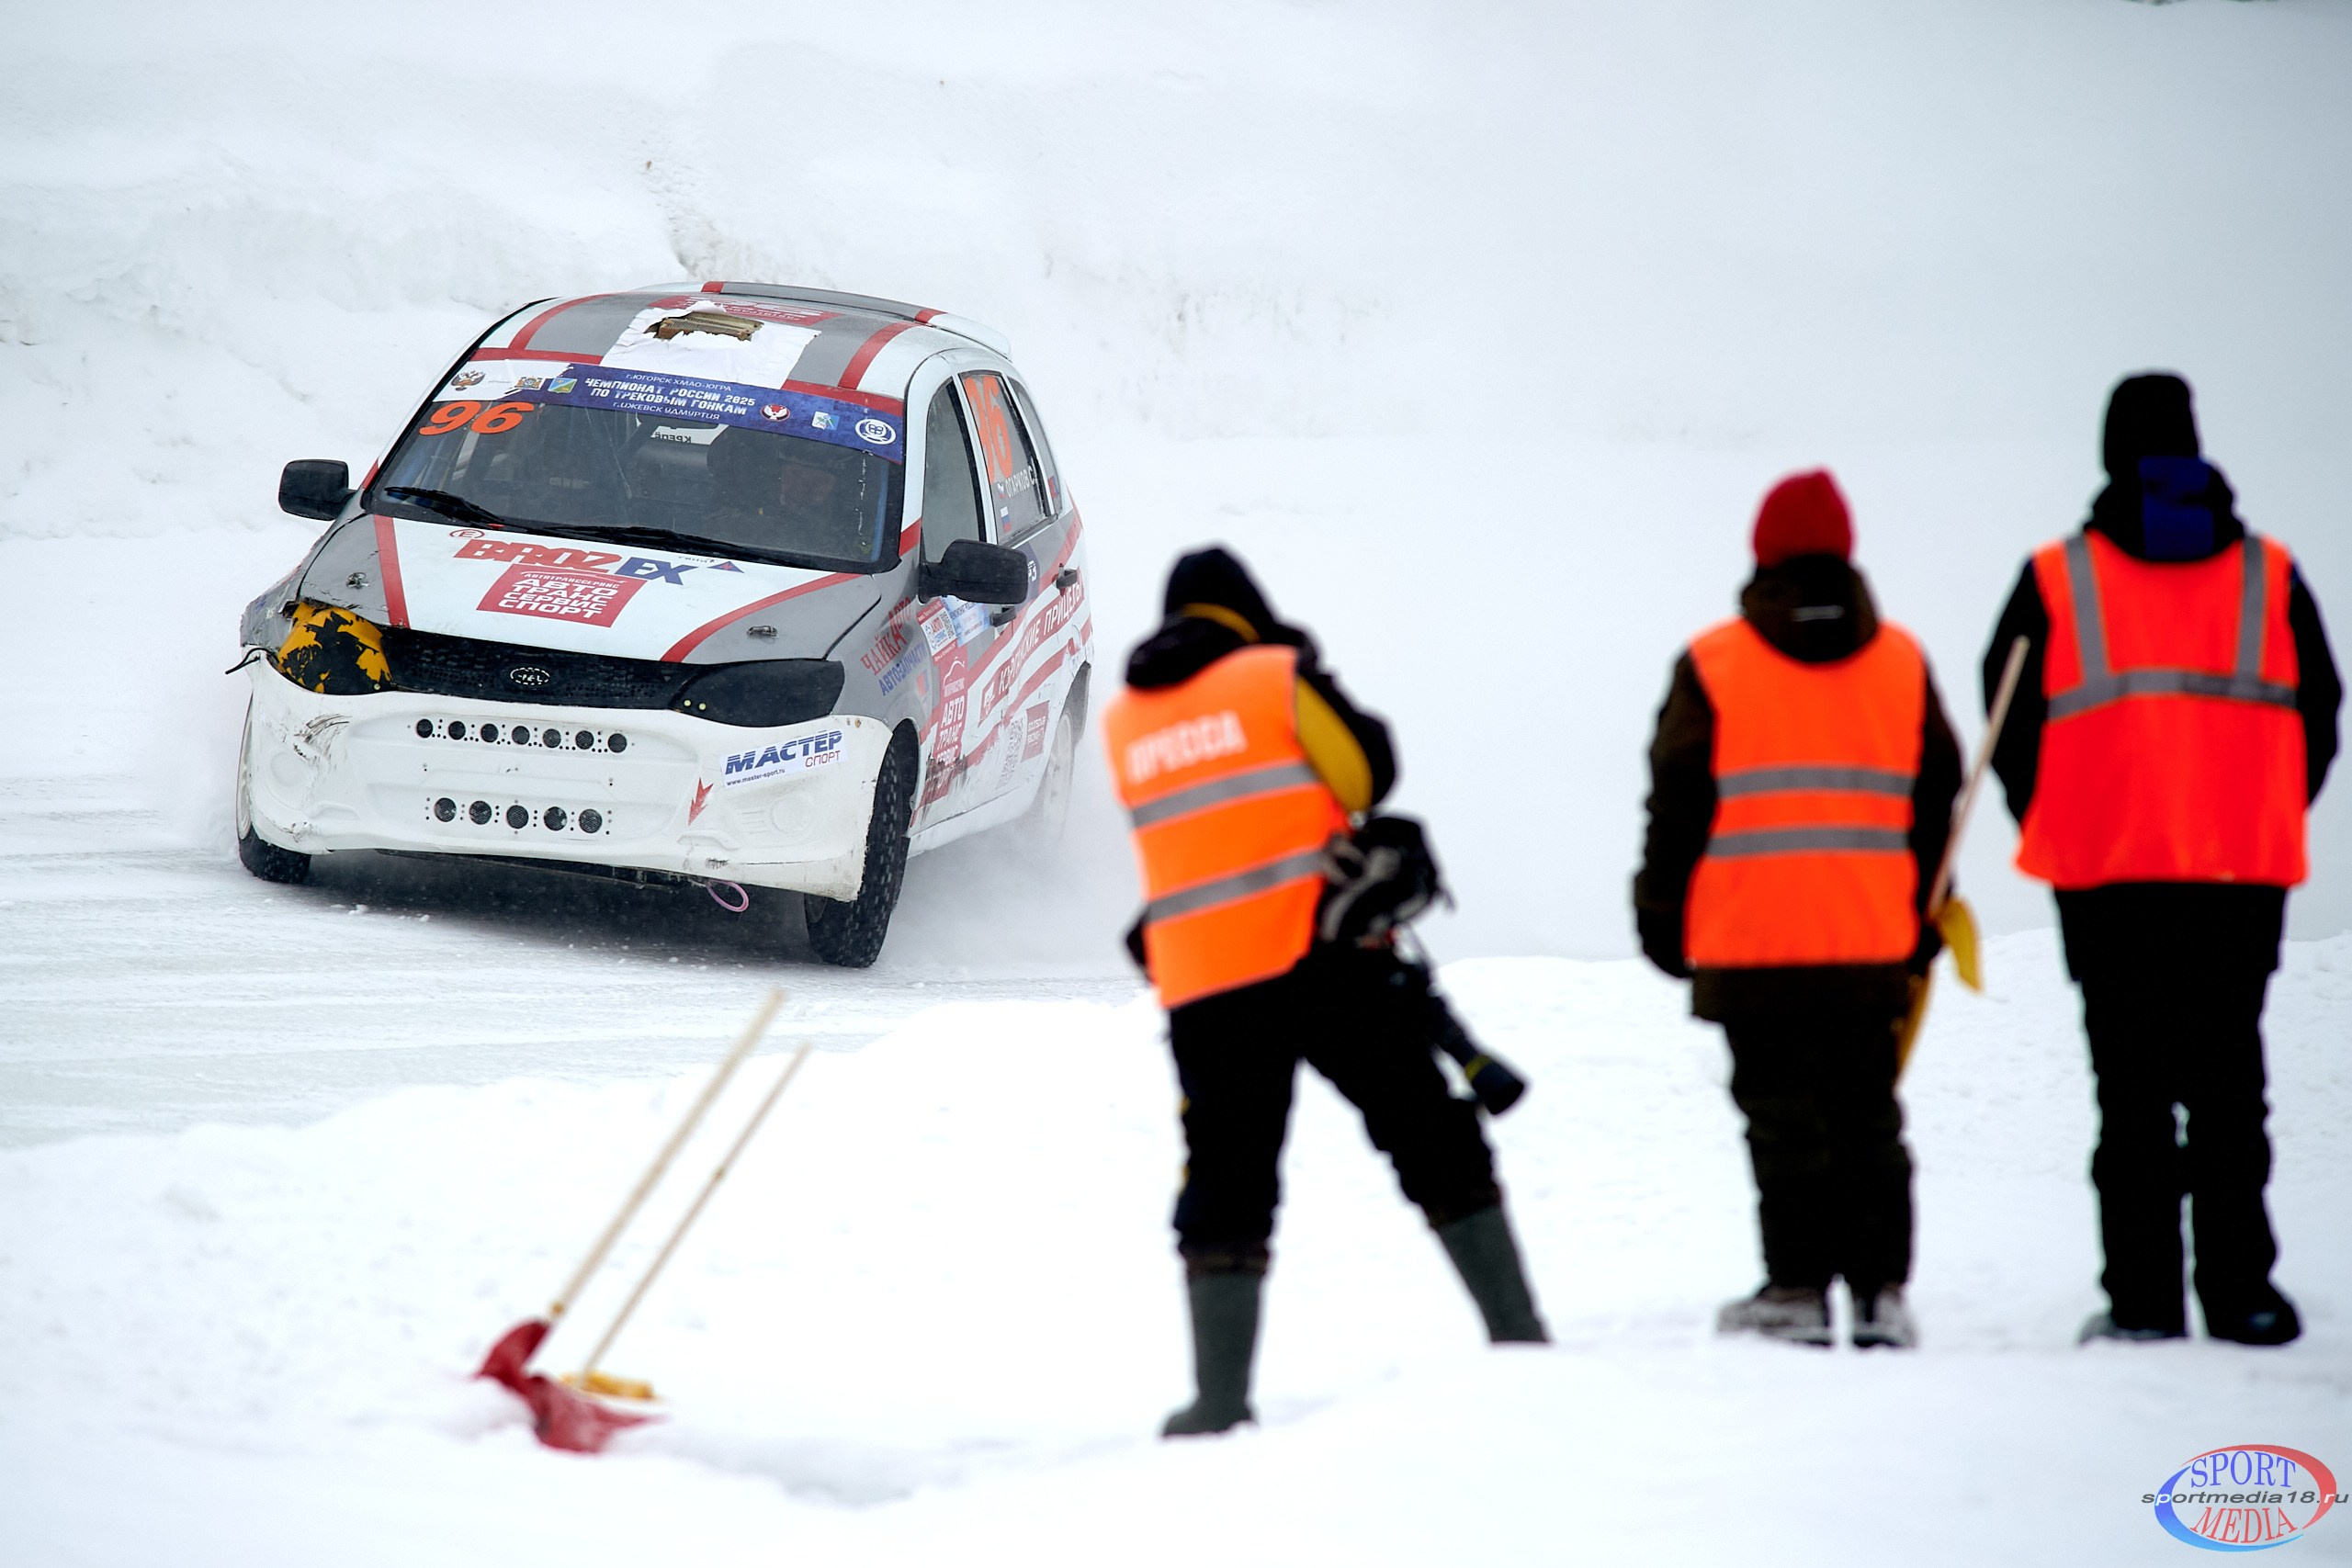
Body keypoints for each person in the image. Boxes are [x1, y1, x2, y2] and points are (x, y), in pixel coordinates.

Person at [1102, 547, 1547, 1438]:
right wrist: (1310, 671)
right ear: (1249, 615)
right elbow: (1365, 775)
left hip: (1203, 985)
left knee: (1228, 1180)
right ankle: (1516, 1336)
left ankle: (1219, 1401)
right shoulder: (1271, 677)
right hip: (1322, 957)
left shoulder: (1124, 721)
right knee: (1427, 1130)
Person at [1984, 373, 2340, 1348]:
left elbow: (2004, 717)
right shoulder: (2268, 574)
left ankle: (2142, 1303)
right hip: (2237, 874)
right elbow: (2318, 714)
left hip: (2106, 879)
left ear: (2109, 453)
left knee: (2131, 1096)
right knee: (2230, 1087)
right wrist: (2254, 807)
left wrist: (2054, 812)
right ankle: (2244, 1295)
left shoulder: (2059, 579)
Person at [1634, 471, 1962, 1350]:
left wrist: (1660, 914)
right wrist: (1924, 910)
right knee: (1868, 1112)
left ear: (1761, 552)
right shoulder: (1901, 662)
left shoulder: (1713, 664)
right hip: (1869, 937)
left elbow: (1676, 803)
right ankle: (1881, 1293)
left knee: (1782, 1119)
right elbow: (1939, 801)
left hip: (1750, 941)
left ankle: (1797, 1289)